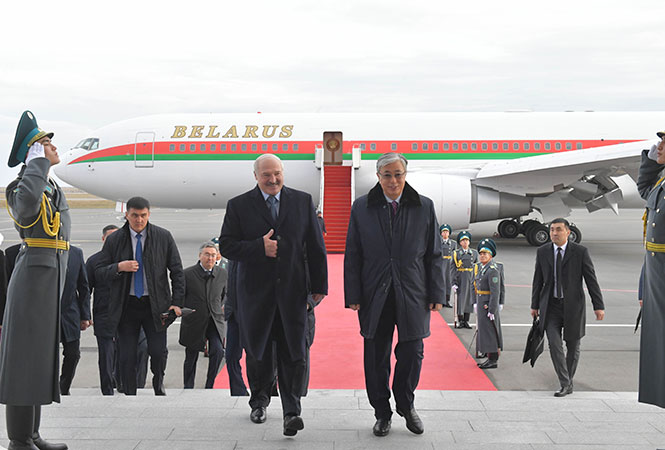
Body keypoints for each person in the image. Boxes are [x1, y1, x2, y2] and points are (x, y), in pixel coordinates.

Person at [219, 154, 328, 437]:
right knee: (258, 353)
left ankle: (292, 412)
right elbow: (227, 246)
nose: (273, 179)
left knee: (294, 353)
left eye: (277, 173)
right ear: (255, 176)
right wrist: (259, 247)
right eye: (266, 174)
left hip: (293, 293)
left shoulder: (302, 201)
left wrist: (319, 286)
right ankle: (259, 402)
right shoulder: (239, 205)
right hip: (255, 295)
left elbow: (316, 247)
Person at [344, 152, 445, 437]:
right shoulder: (362, 207)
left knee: (413, 352)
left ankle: (405, 403)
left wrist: (437, 292)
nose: (393, 181)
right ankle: (382, 412)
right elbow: (353, 253)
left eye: (397, 174)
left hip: (413, 290)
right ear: (378, 177)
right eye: (387, 175)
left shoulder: (424, 206)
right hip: (375, 292)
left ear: (405, 175)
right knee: (376, 356)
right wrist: (353, 294)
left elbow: (434, 253)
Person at [0, 110, 69, 449]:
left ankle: (32, 433)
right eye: (44, 144)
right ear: (33, 152)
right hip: (32, 279)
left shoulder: (49, 186)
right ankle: (19, 439)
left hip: (49, 278)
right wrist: (36, 164)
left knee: (39, 357)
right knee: (23, 358)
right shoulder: (21, 186)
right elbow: (27, 208)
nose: (53, 147)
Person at [95, 196, 185, 396]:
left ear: (149, 214)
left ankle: (158, 383)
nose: (139, 220)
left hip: (155, 305)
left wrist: (177, 302)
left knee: (158, 352)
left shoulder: (163, 237)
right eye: (134, 215)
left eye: (143, 215)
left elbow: (177, 272)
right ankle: (129, 392)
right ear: (127, 215)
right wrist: (119, 267)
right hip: (126, 305)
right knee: (126, 355)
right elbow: (99, 271)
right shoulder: (115, 240)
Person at [530, 218, 604, 397]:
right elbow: (537, 280)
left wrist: (598, 305)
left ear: (568, 232)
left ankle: (567, 382)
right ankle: (565, 383)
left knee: (573, 346)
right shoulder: (543, 251)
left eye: (558, 230)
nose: (554, 233)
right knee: (554, 344)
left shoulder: (580, 252)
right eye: (552, 230)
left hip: (573, 307)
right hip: (551, 306)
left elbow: (591, 279)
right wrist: (534, 305)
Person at [636, 133, 665, 408]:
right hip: (656, 275)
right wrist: (651, 161)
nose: (660, 147)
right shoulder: (661, 183)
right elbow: (644, 188)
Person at [179, 242, 227, 389]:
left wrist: (218, 307)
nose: (210, 258)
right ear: (200, 256)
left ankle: (209, 384)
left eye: (213, 255)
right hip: (194, 321)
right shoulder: (187, 274)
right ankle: (188, 386)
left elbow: (224, 295)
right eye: (207, 254)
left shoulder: (222, 274)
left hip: (214, 320)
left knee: (218, 351)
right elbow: (180, 296)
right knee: (191, 355)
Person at [86, 225, 119, 395]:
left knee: (131, 351)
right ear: (103, 239)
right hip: (103, 313)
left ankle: (124, 384)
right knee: (106, 353)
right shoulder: (94, 261)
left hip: (125, 313)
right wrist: (85, 315)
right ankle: (107, 389)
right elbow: (86, 289)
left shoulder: (128, 259)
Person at [59, 245, 91, 395]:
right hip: (47, 314)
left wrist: (85, 316)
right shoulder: (42, 251)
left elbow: (83, 287)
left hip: (70, 313)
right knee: (47, 356)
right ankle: (47, 387)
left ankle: (63, 387)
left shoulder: (76, 253)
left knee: (73, 354)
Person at [472, 239, 502, 369]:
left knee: (490, 331)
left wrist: (492, 309)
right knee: (484, 330)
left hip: (487, 305)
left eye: (485, 253)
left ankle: (493, 359)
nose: (482, 256)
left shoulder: (492, 270)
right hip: (481, 303)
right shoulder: (482, 268)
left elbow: (495, 292)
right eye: (481, 253)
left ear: (491, 255)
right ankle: (489, 355)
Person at [223, 260, 249, 396]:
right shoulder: (232, 257)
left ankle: (262, 392)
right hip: (233, 314)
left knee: (256, 357)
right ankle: (239, 391)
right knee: (231, 356)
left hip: (251, 314)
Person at [452, 231, 478, 329]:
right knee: (461, 300)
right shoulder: (456, 253)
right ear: (460, 242)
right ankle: (460, 320)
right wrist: (453, 282)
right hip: (461, 277)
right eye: (463, 240)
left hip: (470, 278)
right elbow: (452, 269)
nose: (465, 242)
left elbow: (476, 267)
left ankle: (466, 320)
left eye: (467, 240)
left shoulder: (474, 253)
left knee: (469, 300)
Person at [439, 224, 457, 308]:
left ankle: (446, 300)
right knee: (441, 282)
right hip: (441, 262)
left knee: (448, 282)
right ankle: (440, 300)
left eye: (447, 232)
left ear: (449, 233)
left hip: (449, 263)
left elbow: (455, 255)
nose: (445, 233)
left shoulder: (453, 243)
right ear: (441, 233)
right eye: (444, 232)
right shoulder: (438, 242)